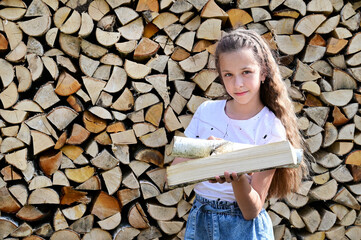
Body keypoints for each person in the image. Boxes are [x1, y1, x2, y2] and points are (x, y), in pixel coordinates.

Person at [171, 28, 309, 240]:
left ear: (263, 72)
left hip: (244, 229)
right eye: (229, 75)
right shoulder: (207, 112)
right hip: (201, 221)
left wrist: (238, 177)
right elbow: (175, 171)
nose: (238, 84)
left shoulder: (269, 128)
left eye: (246, 72)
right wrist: (208, 153)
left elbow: (251, 210)